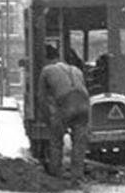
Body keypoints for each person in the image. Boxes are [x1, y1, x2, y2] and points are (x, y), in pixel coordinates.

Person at [38, 43, 91, 184]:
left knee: (56, 140)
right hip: (84, 103)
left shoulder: (46, 70)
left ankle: (55, 174)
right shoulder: (76, 69)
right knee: (79, 142)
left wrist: (48, 119)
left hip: (66, 102)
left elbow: (42, 99)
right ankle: (77, 176)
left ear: (46, 59)